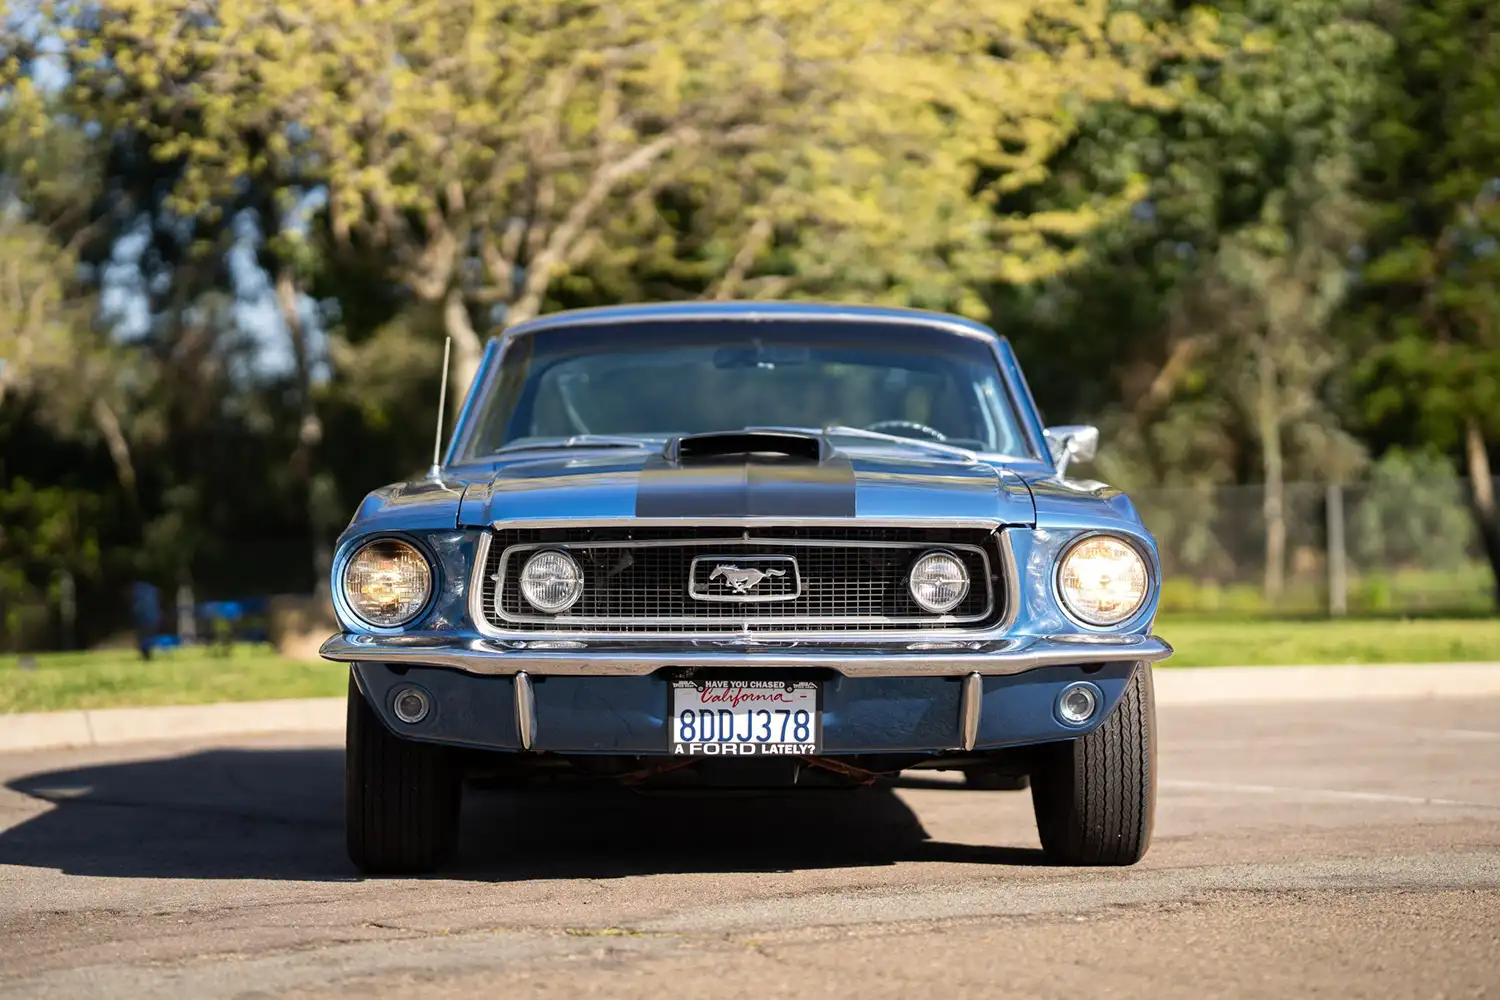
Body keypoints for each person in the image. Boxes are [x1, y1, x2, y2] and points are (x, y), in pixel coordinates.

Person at [130, 582, 161, 661]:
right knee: (147, 637)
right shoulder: (149, 589)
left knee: (144, 637)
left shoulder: (136, 591)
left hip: (145, 617)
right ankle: (147, 654)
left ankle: (146, 654)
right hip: (152, 616)